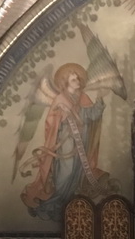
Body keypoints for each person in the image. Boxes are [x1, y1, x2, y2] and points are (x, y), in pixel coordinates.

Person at [20, 63, 107, 220]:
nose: (78, 82)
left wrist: (100, 98)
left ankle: (68, 206)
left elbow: (93, 115)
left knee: (76, 174)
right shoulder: (60, 99)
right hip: (66, 144)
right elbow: (50, 122)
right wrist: (63, 118)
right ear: (65, 82)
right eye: (74, 80)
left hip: (82, 144)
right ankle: (53, 204)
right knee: (65, 173)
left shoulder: (83, 98)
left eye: (78, 79)